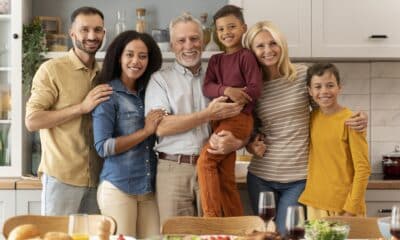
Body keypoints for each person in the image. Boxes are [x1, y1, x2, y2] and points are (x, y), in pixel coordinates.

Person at [205, 20, 369, 234]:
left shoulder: (302, 75)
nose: (267, 51)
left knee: (287, 234)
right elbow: (247, 125)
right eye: (260, 46)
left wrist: (358, 117)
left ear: (281, 44)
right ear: (251, 51)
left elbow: (325, 109)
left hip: (298, 179)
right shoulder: (251, 88)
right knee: (266, 235)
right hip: (261, 176)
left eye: (272, 43)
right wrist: (250, 145)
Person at [144, 13, 243, 225]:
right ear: (172, 45)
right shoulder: (160, 80)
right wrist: (208, 114)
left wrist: (239, 141)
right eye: (181, 40)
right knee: (176, 236)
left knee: (215, 234)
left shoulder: (218, 78)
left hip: (214, 167)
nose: (189, 45)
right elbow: (161, 127)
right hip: (173, 171)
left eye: (194, 38)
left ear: (204, 41)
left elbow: (240, 118)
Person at [25, 6, 113, 215]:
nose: (92, 36)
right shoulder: (52, 70)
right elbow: (32, 120)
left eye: (98, 30)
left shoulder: (105, 74)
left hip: (99, 179)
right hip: (61, 178)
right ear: (72, 33)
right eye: (84, 30)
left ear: (104, 33)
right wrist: (81, 108)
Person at [92, 31, 164, 237]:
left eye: (143, 56)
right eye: (129, 54)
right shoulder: (107, 94)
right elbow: (103, 147)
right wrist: (146, 131)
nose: (136, 61)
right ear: (119, 57)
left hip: (148, 189)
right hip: (118, 189)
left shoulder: (151, 91)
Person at [197, 5, 262, 217]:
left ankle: (212, 219)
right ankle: (235, 226)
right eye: (221, 29)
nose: (226, 32)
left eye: (232, 27)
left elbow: (255, 89)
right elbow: (208, 87)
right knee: (225, 177)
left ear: (243, 28)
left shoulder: (247, 57)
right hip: (220, 121)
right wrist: (228, 90)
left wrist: (237, 96)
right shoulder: (216, 60)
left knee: (205, 161)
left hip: (239, 119)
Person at [298, 63, 371, 219]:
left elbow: (363, 168)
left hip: (345, 207)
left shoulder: (352, 121)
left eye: (330, 85)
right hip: (315, 204)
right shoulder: (310, 118)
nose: (324, 91)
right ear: (309, 91)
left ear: (339, 87)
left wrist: (351, 209)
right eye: (318, 86)